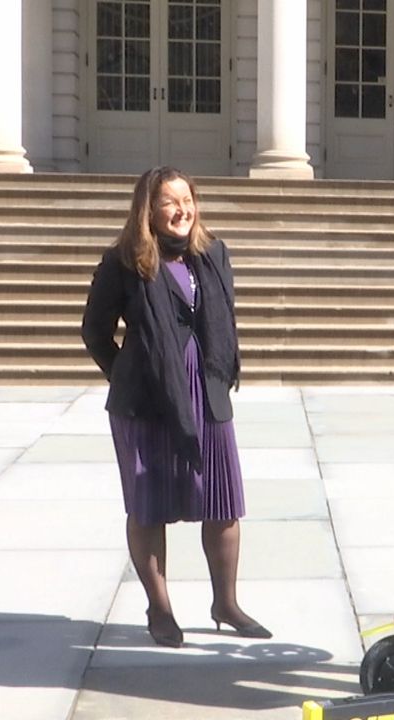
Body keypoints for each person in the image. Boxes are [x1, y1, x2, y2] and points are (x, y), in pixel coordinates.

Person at [82, 166, 270, 648]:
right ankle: (159, 608)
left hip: (206, 392)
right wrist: (130, 372)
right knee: (149, 507)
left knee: (223, 503)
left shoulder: (212, 254)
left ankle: (225, 603)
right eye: (170, 201)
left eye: (187, 199)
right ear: (149, 209)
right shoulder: (123, 262)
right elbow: (94, 331)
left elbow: (221, 321)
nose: (182, 209)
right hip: (146, 403)